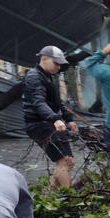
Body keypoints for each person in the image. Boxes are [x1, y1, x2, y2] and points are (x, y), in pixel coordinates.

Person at [21, 46, 82, 189]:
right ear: (44, 59)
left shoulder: (49, 76)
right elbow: (38, 102)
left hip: (51, 122)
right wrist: (55, 119)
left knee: (69, 161)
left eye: (60, 64)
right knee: (64, 162)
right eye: (56, 63)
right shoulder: (34, 77)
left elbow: (57, 102)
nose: (59, 67)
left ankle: (52, 195)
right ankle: (70, 197)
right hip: (39, 125)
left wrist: (69, 119)